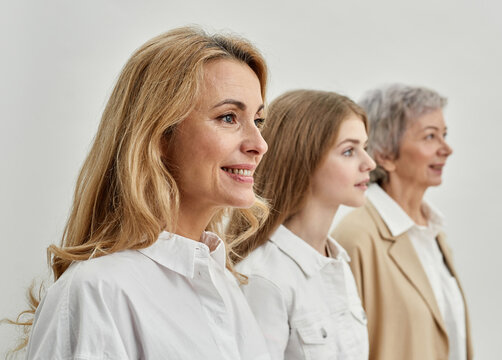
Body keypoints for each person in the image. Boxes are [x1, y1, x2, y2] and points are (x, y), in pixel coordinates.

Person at [12, 26, 272, 359]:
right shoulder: (98, 292)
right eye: (228, 117)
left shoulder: (225, 285)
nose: (259, 144)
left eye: (258, 120)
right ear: (159, 135)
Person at [227, 90, 375, 360]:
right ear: (303, 158)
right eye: (349, 151)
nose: (369, 163)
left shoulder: (338, 263)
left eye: (364, 148)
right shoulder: (264, 279)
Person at [331, 84, 473, 360]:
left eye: (444, 135)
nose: (447, 149)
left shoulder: (433, 232)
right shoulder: (356, 238)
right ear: (384, 154)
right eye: (430, 137)